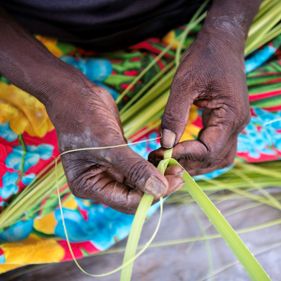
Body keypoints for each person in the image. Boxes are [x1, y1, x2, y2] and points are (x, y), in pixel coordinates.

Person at [0, 0, 261, 213]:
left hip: (205, 22)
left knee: (239, 127)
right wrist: (58, 90)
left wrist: (227, 33)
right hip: (26, 49)